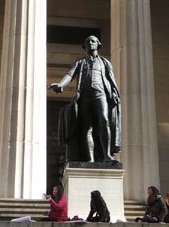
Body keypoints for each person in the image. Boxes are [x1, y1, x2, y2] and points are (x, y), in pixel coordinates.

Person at [49, 35, 121, 163]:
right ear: (84, 46)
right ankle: (90, 159)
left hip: (100, 94)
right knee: (86, 127)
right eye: (87, 41)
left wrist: (114, 93)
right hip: (84, 97)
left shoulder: (105, 63)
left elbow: (111, 80)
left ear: (98, 44)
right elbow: (70, 74)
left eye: (92, 41)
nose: (90, 43)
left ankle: (106, 155)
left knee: (104, 120)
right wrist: (61, 85)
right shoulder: (80, 62)